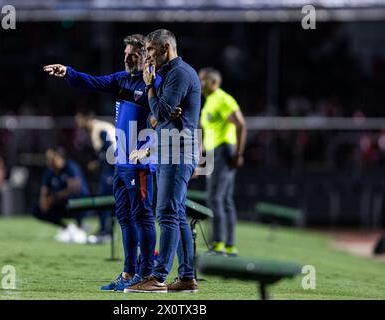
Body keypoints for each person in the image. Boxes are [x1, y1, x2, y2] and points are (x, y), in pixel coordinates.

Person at [43, 34, 162, 292]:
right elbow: (92, 82)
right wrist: (68, 73)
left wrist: (146, 150)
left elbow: (162, 122)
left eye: (133, 54)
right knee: (125, 219)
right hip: (120, 162)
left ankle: (147, 274)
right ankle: (129, 271)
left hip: (140, 164)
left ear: (145, 57)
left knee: (143, 218)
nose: (127, 58)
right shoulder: (120, 79)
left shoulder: (154, 85)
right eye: (126, 53)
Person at [125, 29, 201, 293]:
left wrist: (149, 87)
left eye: (150, 50)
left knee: (166, 212)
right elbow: (158, 118)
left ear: (166, 47)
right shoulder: (169, 75)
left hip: (179, 150)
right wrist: (162, 111)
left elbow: (162, 112)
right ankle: (187, 278)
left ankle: (157, 277)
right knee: (177, 214)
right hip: (172, 148)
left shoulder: (178, 74)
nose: (147, 56)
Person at [199, 67, 247, 256]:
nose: (200, 82)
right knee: (224, 199)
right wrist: (200, 159)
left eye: (203, 79)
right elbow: (209, 132)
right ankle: (229, 245)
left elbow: (241, 124)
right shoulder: (209, 102)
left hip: (223, 149)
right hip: (214, 151)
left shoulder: (222, 99)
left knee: (216, 198)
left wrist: (239, 154)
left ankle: (218, 245)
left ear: (213, 82)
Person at [32, 147, 90, 244]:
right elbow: (44, 189)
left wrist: (53, 198)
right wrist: (43, 202)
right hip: (61, 203)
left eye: (52, 158)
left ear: (58, 157)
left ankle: (80, 227)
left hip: (79, 203)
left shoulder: (70, 167)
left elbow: (74, 188)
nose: (49, 161)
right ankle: (66, 228)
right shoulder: (50, 171)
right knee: (36, 209)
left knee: (74, 199)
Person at [75, 112, 116, 242]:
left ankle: (106, 232)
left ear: (88, 119)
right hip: (112, 166)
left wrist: (98, 163)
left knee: (104, 200)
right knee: (107, 201)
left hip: (112, 167)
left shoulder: (99, 129)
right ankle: (106, 230)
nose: (78, 124)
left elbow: (110, 150)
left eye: (80, 121)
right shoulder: (97, 128)